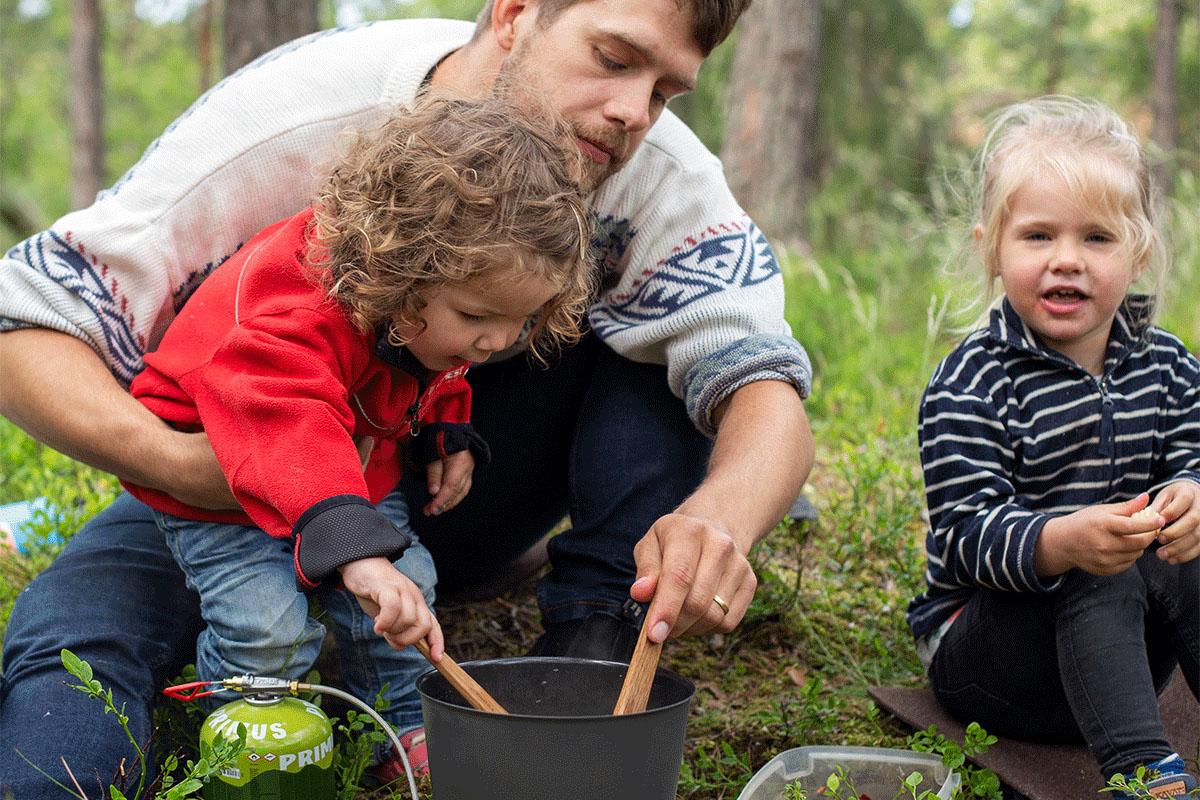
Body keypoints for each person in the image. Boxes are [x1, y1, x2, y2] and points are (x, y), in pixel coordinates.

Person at [0, 0, 815, 793]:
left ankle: (591, 637)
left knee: (665, 332)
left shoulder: (661, 176)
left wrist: (722, 518)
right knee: (72, 654)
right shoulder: (299, 116)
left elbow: (764, 387)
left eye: (667, 90)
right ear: (514, 12)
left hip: (416, 476)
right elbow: (22, 323)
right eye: (613, 57)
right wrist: (181, 464)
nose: (634, 112)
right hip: (235, 465)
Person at [120, 96, 592, 774]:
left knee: (406, 588)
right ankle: (244, 745)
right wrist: (355, 551)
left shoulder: (432, 313)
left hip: (345, 465)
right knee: (267, 625)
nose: (498, 341)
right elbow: (286, 410)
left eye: (521, 319)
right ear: (402, 276)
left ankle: (398, 727)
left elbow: (434, 364)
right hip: (225, 471)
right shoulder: (296, 301)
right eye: (478, 315)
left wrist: (445, 431)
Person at [907, 96, 1199, 797]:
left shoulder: (1168, 365)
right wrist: (1061, 541)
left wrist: (1193, 491)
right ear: (992, 247)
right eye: (1038, 236)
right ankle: (1144, 777)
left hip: (1125, 662)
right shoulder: (971, 381)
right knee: (1100, 568)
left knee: (1182, 540)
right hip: (995, 663)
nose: (1066, 260)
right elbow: (967, 533)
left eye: (1097, 239)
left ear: (1138, 255)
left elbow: (1194, 452)